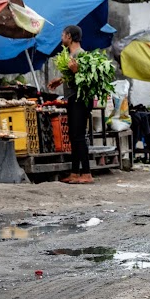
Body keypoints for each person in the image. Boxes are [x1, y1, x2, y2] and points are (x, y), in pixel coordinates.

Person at [47, 25, 93, 184]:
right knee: (74, 136)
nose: (61, 38)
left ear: (69, 37)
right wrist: (59, 80)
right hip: (73, 99)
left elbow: (88, 81)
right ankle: (74, 172)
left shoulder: (82, 55)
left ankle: (86, 173)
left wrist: (76, 71)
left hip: (81, 100)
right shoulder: (71, 55)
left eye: (63, 35)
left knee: (79, 136)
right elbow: (71, 78)